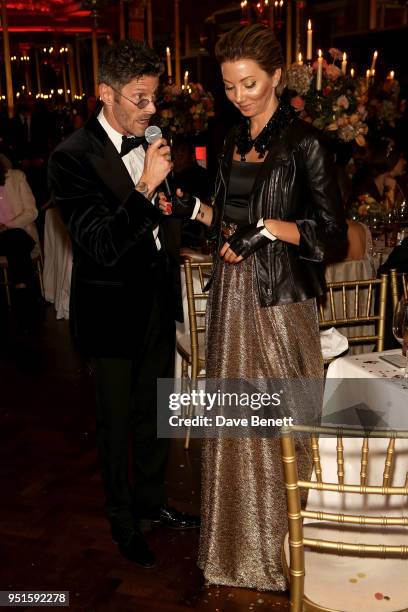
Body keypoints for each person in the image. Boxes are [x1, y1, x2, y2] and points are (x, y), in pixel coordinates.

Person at [165, 24, 346, 590]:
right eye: (229, 87)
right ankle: (236, 551)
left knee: (281, 426)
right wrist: (194, 209)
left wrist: (266, 231)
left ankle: (285, 553)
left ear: (276, 78)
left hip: (278, 302)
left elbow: (332, 235)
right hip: (232, 298)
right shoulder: (229, 141)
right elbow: (228, 218)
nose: (240, 97)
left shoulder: (307, 143)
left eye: (250, 84)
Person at [47, 40, 199, 569]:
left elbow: (163, 216)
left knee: (157, 413)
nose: (152, 110)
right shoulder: (70, 158)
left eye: (155, 97)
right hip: (111, 315)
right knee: (114, 425)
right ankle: (123, 521)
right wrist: (144, 188)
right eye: (140, 99)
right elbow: (101, 245)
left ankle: (153, 504)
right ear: (105, 94)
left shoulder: (151, 141)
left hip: (158, 300)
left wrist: (175, 204)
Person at [0, 154, 39, 327]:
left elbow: (32, 211)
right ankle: (25, 291)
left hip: (18, 234)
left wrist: (8, 226)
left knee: (15, 238)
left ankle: (22, 290)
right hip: (10, 241)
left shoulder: (16, 177)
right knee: (17, 240)